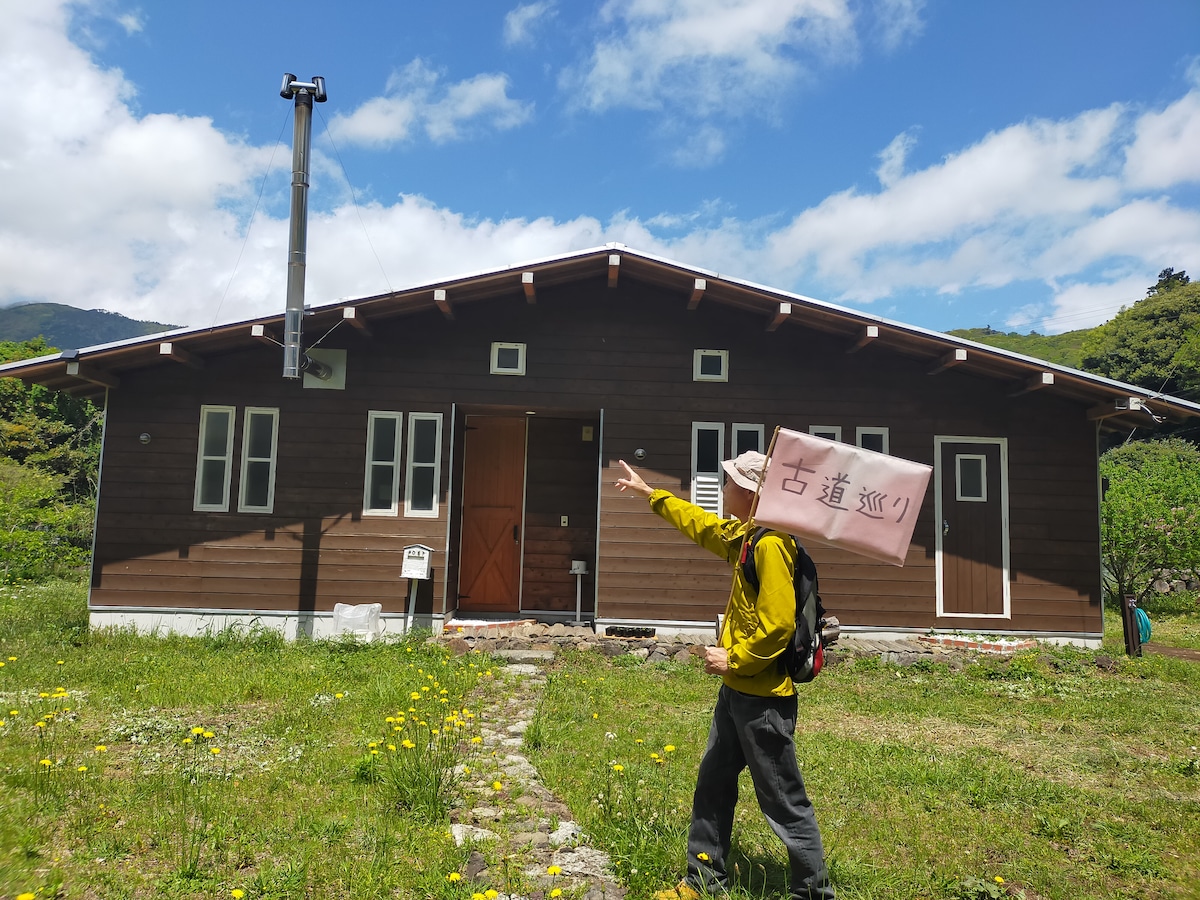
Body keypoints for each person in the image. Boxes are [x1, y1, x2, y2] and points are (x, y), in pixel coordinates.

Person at [616, 452, 835, 900]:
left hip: (764, 700)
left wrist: (734, 659)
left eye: (730, 480)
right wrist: (650, 494)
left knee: (784, 802)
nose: (723, 486)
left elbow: (778, 624)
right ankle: (703, 880)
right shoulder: (748, 538)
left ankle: (814, 893)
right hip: (736, 694)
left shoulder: (772, 545)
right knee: (713, 786)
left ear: (754, 492)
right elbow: (701, 525)